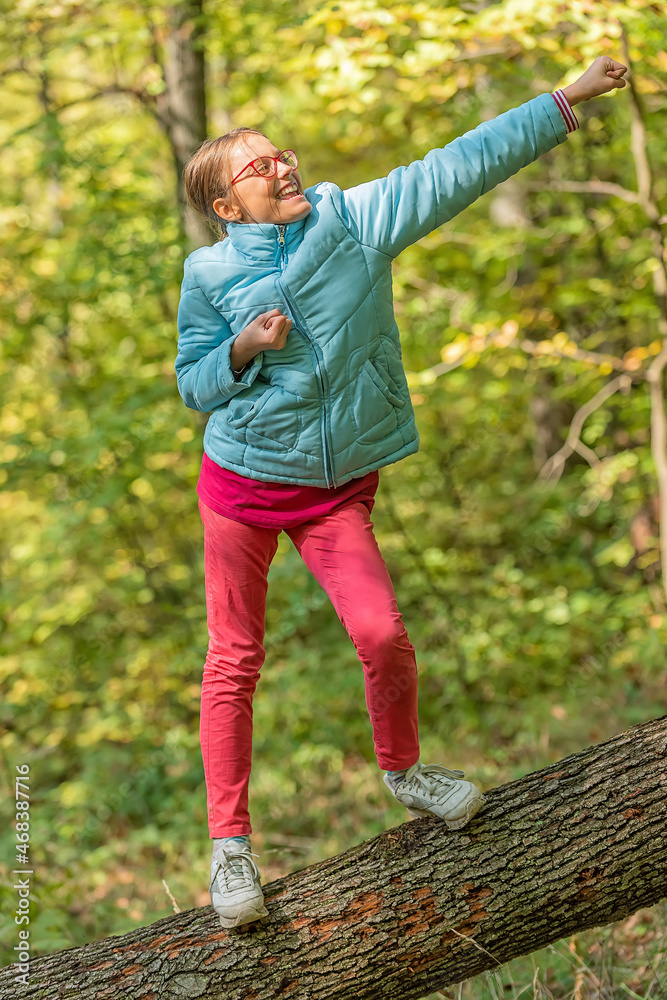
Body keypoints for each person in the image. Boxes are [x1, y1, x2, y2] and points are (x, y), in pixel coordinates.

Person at [175, 56, 628, 929]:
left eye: (284, 154)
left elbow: (456, 165)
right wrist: (240, 350)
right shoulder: (209, 275)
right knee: (233, 660)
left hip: (336, 488)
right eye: (259, 166)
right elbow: (194, 383)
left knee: (381, 632)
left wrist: (563, 99)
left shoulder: (353, 222)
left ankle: (405, 772)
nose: (284, 167)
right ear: (228, 206)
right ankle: (230, 850)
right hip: (239, 486)